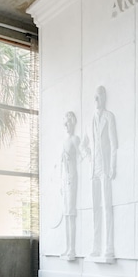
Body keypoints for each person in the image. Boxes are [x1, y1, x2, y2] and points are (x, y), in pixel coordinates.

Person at [84, 85, 117, 259]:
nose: (96, 100)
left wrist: (112, 166)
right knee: (95, 209)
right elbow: (84, 145)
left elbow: (114, 143)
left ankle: (108, 246)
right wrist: (89, 157)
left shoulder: (109, 117)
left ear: (104, 98)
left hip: (105, 167)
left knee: (107, 207)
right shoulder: (90, 120)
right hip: (94, 169)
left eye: (98, 97)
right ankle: (96, 246)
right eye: (94, 97)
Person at [60, 111, 81, 260]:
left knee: (71, 214)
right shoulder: (64, 141)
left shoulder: (75, 139)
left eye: (68, 122)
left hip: (72, 177)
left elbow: (81, 157)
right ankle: (67, 247)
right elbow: (61, 164)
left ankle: (72, 248)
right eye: (65, 123)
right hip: (65, 178)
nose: (66, 125)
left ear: (72, 123)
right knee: (66, 214)